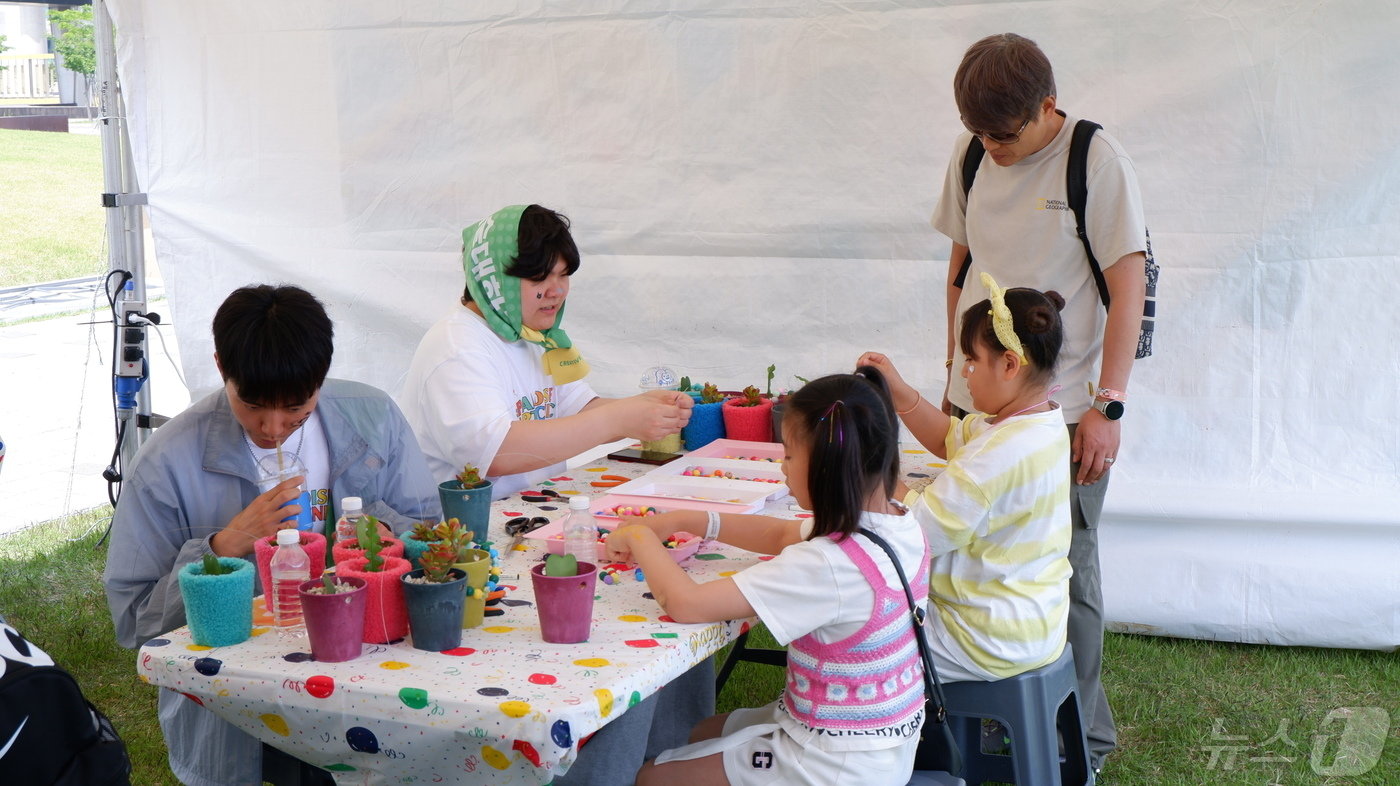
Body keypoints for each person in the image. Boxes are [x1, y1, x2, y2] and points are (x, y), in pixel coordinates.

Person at [102, 284, 441, 786]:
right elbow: (134, 623)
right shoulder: (167, 463)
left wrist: (383, 532)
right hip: (242, 709)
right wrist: (224, 547)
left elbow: (431, 539)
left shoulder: (373, 418)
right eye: (253, 405)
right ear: (221, 367)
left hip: (373, 683)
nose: (274, 427)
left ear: (320, 379)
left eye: (297, 408)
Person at [929, 33, 1147, 771]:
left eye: (1003, 133)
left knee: (1064, 571)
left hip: (1063, 409)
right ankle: (982, 726)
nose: (990, 147)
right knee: (962, 558)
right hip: (977, 396)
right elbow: (959, 271)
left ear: (1047, 106)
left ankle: (1080, 741)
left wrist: (1107, 406)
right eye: (978, 134)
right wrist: (951, 380)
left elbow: (1128, 287)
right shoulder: (971, 157)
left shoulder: (1095, 160)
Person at [607, 369, 930, 786]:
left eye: (790, 456)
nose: (782, 467)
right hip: (880, 745)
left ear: (825, 470)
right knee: (692, 732)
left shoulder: (826, 565)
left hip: (828, 765)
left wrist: (638, 536)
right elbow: (779, 534)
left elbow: (686, 604)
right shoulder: (898, 523)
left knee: (651, 777)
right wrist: (687, 519)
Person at [859, 274, 1072, 689]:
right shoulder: (1037, 424)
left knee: (853, 636)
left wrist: (869, 466)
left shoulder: (998, 455)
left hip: (981, 634)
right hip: (1029, 619)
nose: (965, 374)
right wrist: (900, 392)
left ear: (1010, 364)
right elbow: (948, 436)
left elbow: (915, 531)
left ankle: (852, 732)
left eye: (971, 361)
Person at [399, 204, 692, 499]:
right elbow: (496, 454)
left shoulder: (529, 333)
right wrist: (618, 418)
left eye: (563, 275)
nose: (557, 291)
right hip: (464, 534)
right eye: (540, 278)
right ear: (494, 279)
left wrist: (645, 408)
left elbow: (577, 410)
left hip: (531, 512)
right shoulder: (457, 346)